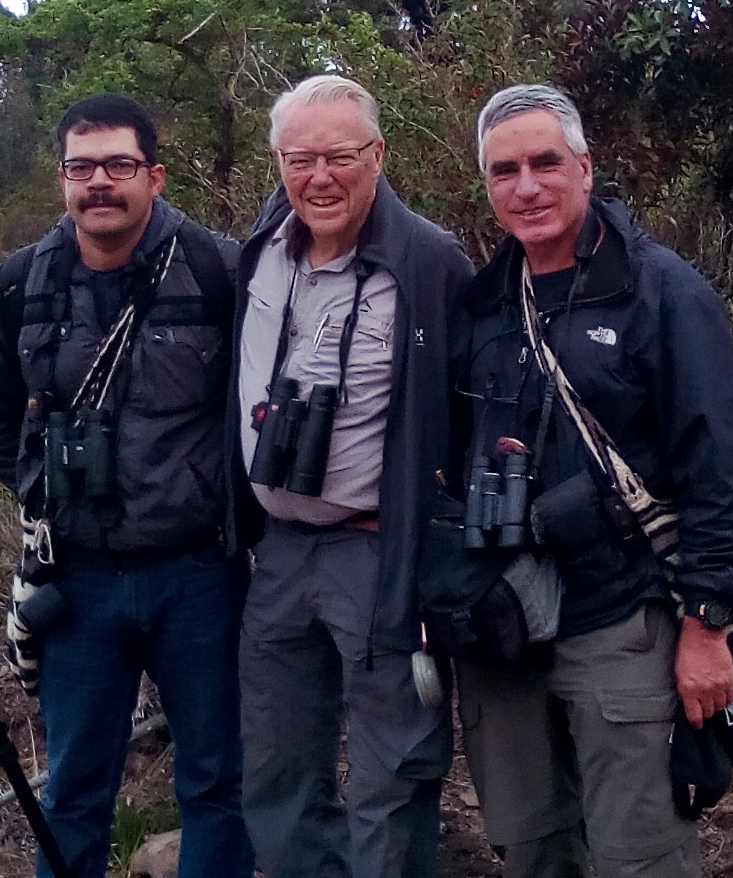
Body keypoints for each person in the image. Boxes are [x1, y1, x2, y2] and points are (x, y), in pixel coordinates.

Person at [446, 83, 733, 877]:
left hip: (623, 619)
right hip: (505, 626)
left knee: (638, 856)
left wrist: (708, 624)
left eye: (545, 163)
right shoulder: (482, 305)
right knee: (531, 845)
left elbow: (722, 468)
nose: (526, 187)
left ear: (584, 168)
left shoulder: (661, 291)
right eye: (504, 171)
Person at [0, 94, 254, 878]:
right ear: (61, 179)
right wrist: (39, 489)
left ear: (154, 176)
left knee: (218, 782)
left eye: (119, 165)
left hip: (199, 571)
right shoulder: (19, 286)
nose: (99, 183)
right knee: (74, 790)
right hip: (77, 578)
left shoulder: (219, 270)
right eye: (81, 167)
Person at [228, 74, 474, 878]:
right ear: (277, 163)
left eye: (339, 156)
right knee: (276, 767)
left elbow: (465, 408)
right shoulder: (262, 251)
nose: (319, 177)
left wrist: (436, 535)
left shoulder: (429, 260)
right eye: (299, 159)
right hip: (278, 551)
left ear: (378, 155)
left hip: (378, 551)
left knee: (391, 771)